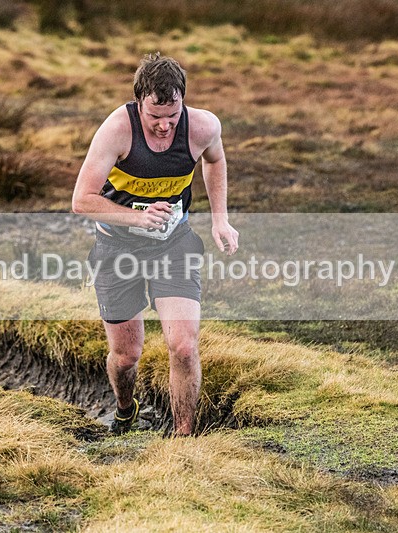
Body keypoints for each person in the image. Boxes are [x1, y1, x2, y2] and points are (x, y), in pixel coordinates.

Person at [72, 52, 239, 436]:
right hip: (117, 248)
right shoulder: (117, 129)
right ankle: (125, 407)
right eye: (154, 117)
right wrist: (136, 218)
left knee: (183, 346)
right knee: (126, 356)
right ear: (138, 104)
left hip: (172, 245)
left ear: (183, 101)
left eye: (172, 116)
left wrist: (220, 220)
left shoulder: (202, 126)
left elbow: (214, 160)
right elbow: (82, 199)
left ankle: (184, 439)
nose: (164, 126)